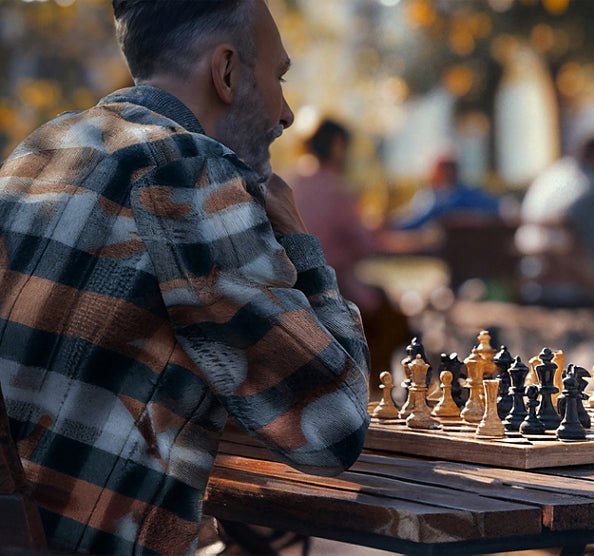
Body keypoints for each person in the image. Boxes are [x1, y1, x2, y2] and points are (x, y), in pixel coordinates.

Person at [0, 1, 370, 553]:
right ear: (225, 72)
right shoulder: (189, 172)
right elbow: (333, 426)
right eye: (279, 77)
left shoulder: (34, 154)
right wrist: (298, 239)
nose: (287, 113)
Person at [290, 118, 410, 391]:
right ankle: (373, 393)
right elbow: (366, 246)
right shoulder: (335, 187)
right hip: (330, 290)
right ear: (337, 146)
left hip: (291, 288)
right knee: (394, 320)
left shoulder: (289, 180)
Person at [515, 135, 594, 307]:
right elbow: (572, 232)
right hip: (562, 280)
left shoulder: (555, 174)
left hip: (529, 272)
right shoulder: (592, 186)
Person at [391, 155, 501, 232]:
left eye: (433, 170)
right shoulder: (469, 193)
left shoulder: (445, 199)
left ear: (443, 172)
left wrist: (390, 225)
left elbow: (416, 221)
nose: (429, 173)